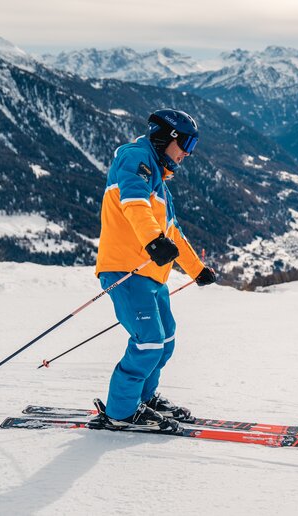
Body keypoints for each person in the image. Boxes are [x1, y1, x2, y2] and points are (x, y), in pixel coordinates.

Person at [91, 108, 217, 433]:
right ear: (168, 136)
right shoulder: (135, 159)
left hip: (152, 276)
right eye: (186, 143)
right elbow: (134, 203)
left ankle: (143, 399)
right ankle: (121, 410)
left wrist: (196, 269)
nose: (188, 153)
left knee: (166, 340)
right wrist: (153, 242)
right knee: (148, 342)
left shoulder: (159, 180)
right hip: (126, 271)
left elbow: (172, 232)